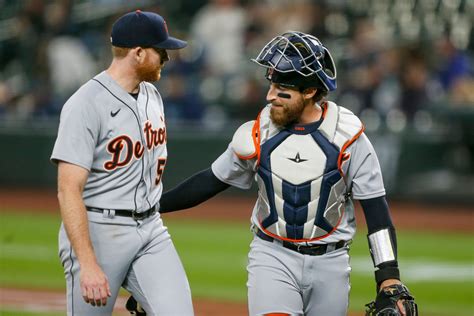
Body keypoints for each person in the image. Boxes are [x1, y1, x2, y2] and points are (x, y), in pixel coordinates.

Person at [127, 31, 417, 315]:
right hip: (272, 256)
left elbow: (376, 211)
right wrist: (153, 206)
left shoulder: (350, 137)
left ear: (310, 91)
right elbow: (209, 182)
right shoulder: (257, 132)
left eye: (282, 89)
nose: (270, 96)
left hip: (332, 264)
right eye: (271, 85)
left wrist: (388, 275)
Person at [50, 10, 194, 315]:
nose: (167, 58)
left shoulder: (152, 95)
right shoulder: (85, 104)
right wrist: (87, 264)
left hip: (151, 227)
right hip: (101, 230)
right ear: (138, 53)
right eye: (161, 51)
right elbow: (68, 190)